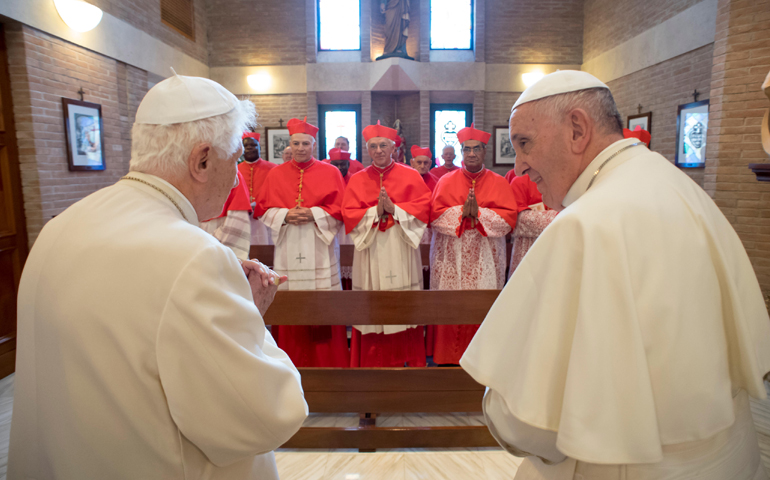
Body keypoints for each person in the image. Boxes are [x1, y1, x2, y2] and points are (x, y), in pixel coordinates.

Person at [460, 70, 770, 480]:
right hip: (729, 459)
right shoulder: (680, 187)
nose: (518, 166)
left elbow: (529, 423)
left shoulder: (586, 224)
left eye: (525, 143)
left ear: (576, 129)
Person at [9, 73, 307, 480]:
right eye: (235, 159)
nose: (238, 176)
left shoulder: (59, 228)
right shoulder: (195, 257)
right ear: (202, 160)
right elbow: (264, 416)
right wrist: (249, 318)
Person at [254, 117, 349, 368]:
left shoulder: (331, 172)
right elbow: (263, 209)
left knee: (323, 302)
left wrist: (313, 214)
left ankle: (329, 365)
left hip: (320, 245)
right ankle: (289, 362)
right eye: (296, 143)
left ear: (314, 145)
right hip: (288, 245)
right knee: (290, 299)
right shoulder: (276, 174)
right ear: (290, 144)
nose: (300, 148)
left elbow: (341, 210)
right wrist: (284, 215)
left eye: (305, 143)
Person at [342, 121, 431, 367]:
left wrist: (395, 211)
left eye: (383, 145)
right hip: (370, 248)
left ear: (393, 147)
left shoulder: (411, 175)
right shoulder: (358, 179)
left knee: (403, 305)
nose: (378, 150)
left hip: (400, 244)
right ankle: (372, 364)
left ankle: (407, 365)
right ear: (367, 149)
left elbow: (424, 208)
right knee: (372, 306)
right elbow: (348, 213)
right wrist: (373, 212)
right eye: (373, 146)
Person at [429, 124, 517, 365]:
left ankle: (483, 357)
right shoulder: (446, 181)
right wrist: (461, 213)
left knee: (482, 304)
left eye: (476, 149)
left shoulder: (499, 182)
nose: (470, 154)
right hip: (451, 255)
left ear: (484, 151)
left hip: (485, 255)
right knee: (451, 305)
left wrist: (480, 215)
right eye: (466, 149)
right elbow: (434, 216)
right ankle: (447, 356)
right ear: (460, 152)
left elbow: (509, 219)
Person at [507, 173, 557, 277]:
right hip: (527, 249)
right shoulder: (519, 181)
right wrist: (558, 217)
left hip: (556, 247)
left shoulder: (565, 180)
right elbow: (518, 220)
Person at [200, 170, 253, 260]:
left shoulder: (231, 172)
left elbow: (237, 220)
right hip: (194, 231)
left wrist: (207, 243)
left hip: (221, 230)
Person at [238, 132, 276, 244]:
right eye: (245, 146)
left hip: (265, 217)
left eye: (253, 145)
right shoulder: (235, 170)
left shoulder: (273, 169)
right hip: (242, 217)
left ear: (259, 147)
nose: (249, 148)